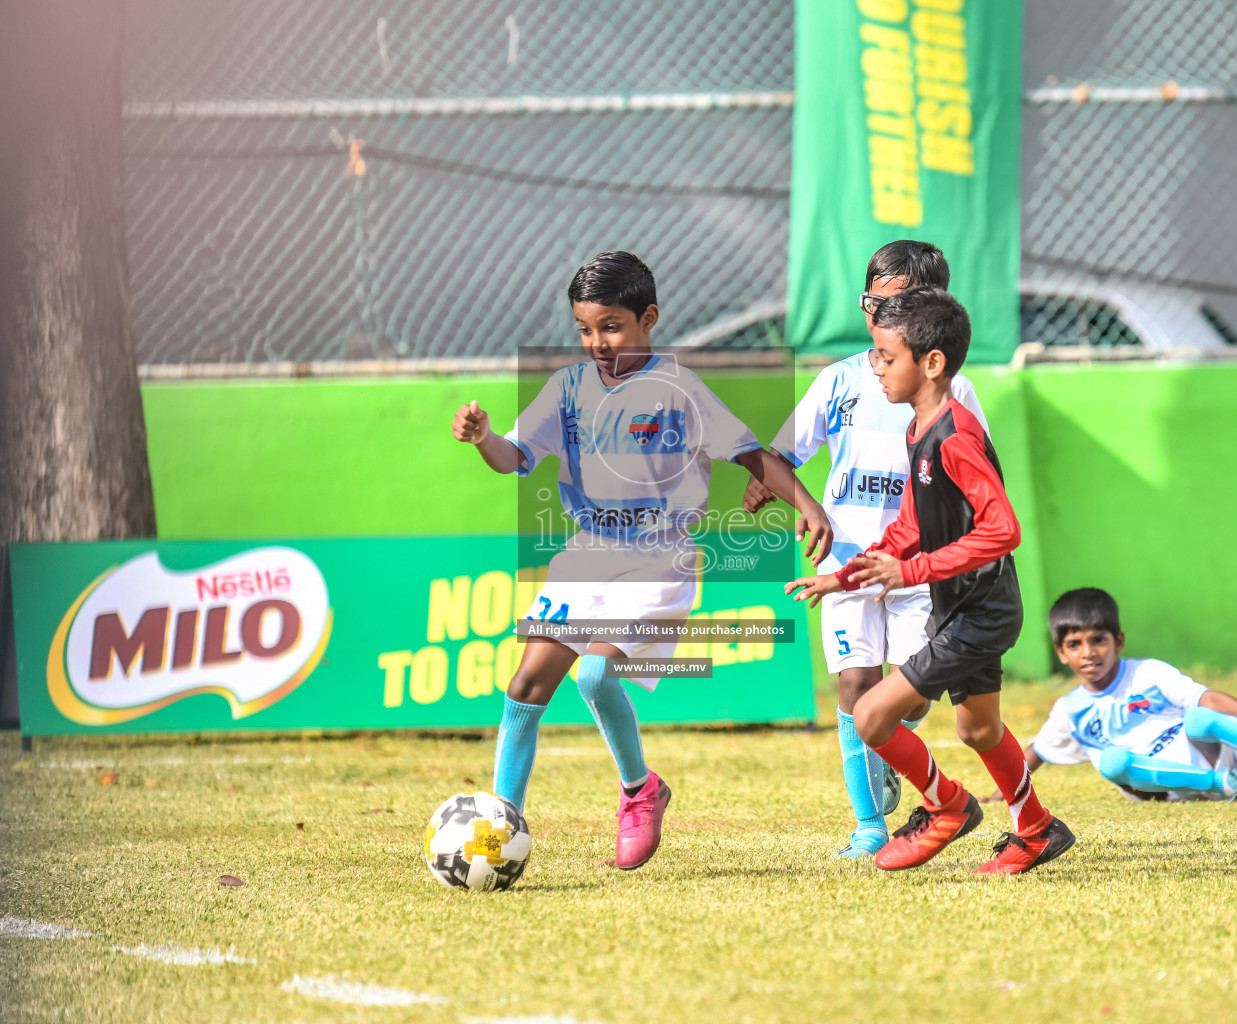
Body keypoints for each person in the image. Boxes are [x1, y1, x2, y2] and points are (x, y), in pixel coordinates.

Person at [452, 251, 833, 870]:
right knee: (524, 687)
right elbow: (512, 457)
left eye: (611, 326)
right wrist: (483, 440)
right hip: (585, 556)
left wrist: (807, 505)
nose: (596, 341)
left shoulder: (678, 390)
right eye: (584, 328)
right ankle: (499, 829)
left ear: (647, 318)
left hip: (660, 561)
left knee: (596, 676)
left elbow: (749, 454)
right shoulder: (566, 389)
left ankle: (640, 791)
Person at [787, 288, 1075, 876]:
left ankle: (946, 808)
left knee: (871, 715)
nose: (876, 368)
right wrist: (846, 577)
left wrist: (910, 571)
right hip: (963, 605)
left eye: (887, 358)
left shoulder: (955, 435)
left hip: (978, 611)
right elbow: (913, 524)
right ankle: (1038, 830)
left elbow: (1003, 529)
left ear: (932, 363)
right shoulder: (920, 427)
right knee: (979, 728)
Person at [744, 240, 989, 858]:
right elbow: (779, 457)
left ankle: (885, 749)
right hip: (847, 564)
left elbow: (976, 478)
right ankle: (869, 827)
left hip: (916, 567)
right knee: (856, 683)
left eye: (895, 303)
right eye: (869, 302)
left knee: (913, 690)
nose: (877, 314)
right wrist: (794, 498)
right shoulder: (842, 379)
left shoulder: (954, 393)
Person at [1022, 587, 1237, 801]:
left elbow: (1205, 698)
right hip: (1159, 787)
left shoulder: (1147, 672)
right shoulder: (1070, 710)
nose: (1088, 653)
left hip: (1206, 755)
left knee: (1197, 716)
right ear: (1061, 653)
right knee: (1112, 761)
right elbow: (1036, 749)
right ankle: (1228, 785)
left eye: (1098, 640)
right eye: (1074, 645)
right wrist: (1009, 793)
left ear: (1118, 642)